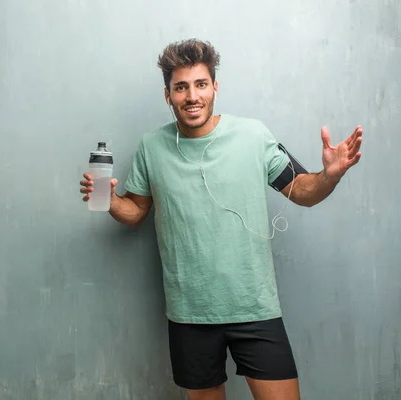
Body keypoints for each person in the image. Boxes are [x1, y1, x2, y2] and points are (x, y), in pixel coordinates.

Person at [79, 39, 363, 400]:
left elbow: (303, 191)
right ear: (168, 95)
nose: (191, 96)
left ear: (215, 87)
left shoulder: (254, 135)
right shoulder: (152, 147)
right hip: (190, 313)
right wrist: (108, 202)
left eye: (200, 84)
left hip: (254, 307)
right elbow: (135, 212)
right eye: (180, 87)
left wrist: (331, 175)